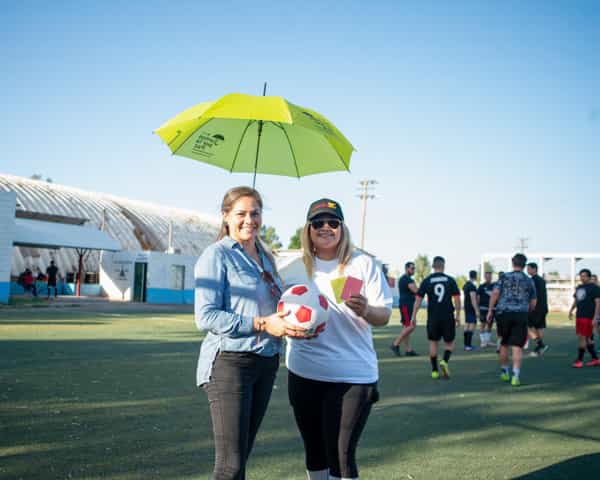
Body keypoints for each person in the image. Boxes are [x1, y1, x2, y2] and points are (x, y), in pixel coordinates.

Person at [194, 186, 310, 480]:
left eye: (255, 213)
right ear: (226, 216)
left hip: (266, 361)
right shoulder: (216, 255)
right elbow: (205, 316)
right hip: (230, 363)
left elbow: (275, 305)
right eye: (241, 213)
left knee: (241, 457)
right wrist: (261, 323)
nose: (249, 220)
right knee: (230, 465)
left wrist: (289, 323)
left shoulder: (265, 256)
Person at [286, 198, 392, 480]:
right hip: (304, 371)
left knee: (341, 456)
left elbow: (384, 315)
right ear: (308, 229)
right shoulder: (293, 268)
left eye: (333, 222)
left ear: (342, 228)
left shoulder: (362, 264)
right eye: (318, 222)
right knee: (314, 451)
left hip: (352, 375)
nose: (325, 228)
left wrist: (366, 309)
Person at [488, 253, 536, 387]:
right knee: (517, 346)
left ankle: (504, 372)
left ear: (512, 262)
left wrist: (491, 309)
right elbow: (533, 301)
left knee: (504, 344)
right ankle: (515, 375)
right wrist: (528, 311)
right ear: (524, 265)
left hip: (504, 313)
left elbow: (495, 293)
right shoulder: (529, 280)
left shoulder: (504, 277)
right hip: (520, 313)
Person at [412, 256, 461, 379]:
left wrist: (413, 316)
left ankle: (434, 371)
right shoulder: (450, 280)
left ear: (433, 266)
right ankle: (444, 360)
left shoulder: (427, 280)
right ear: (443, 266)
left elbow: (418, 300)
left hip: (433, 316)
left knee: (433, 343)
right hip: (448, 316)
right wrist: (458, 315)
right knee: (449, 343)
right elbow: (457, 299)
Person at [568, 269, 600, 368]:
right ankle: (595, 359)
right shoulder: (579, 287)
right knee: (587, 338)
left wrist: (595, 317)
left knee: (582, 338)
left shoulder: (594, 288)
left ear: (589, 277)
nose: (582, 278)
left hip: (588, 316)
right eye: (581, 276)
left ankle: (579, 361)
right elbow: (576, 300)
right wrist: (571, 310)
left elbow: (598, 303)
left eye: (584, 276)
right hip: (579, 315)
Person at [390, 261, 418, 357]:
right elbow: (416, 291)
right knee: (412, 325)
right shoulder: (406, 279)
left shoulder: (406, 278)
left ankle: (408, 350)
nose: (414, 270)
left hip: (406, 305)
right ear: (407, 269)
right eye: (412, 268)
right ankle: (395, 344)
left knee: (407, 327)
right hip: (406, 305)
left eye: (414, 268)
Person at [526, 262, 549, 356]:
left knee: (525, 326)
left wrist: (530, 307)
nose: (527, 270)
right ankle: (540, 348)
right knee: (539, 327)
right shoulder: (541, 280)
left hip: (535, 308)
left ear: (534, 269)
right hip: (543, 308)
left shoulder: (532, 280)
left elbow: (532, 296)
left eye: (529, 268)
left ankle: (541, 345)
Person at [477, 271, 495, 347]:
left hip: (492, 308)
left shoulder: (494, 286)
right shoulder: (481, 286)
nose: (488, 277)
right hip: (483, 309)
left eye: (490, 276)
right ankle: (483, 341)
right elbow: (478, 297)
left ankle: (487, 341)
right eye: (487, 276)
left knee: (490, 325)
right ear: (485, 277)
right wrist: (477, 308)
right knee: (483, 324)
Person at [462, 270, 479, 351]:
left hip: (466, 307)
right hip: (471, 308)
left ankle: (466, 345)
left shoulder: (466, 285)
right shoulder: (472, 286)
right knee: (472, 325)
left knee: (467, 325)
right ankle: (468, 346)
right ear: (475, 276)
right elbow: (473, 299)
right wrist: (476, 310)